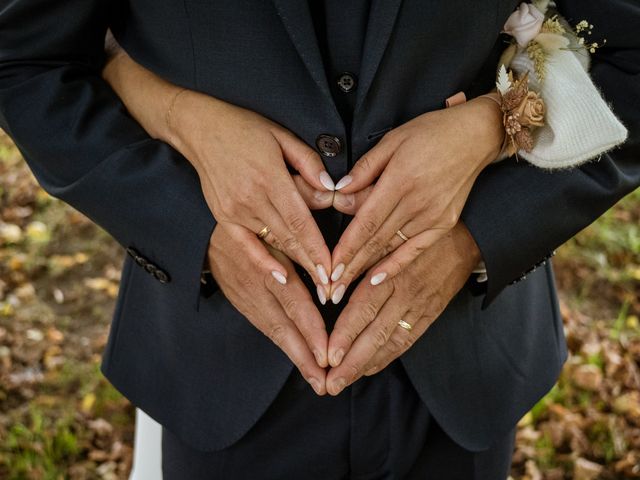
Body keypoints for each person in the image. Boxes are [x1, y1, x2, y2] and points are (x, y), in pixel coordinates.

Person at [0, 0, 638, 478]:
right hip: (219, 365)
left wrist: (480, 221)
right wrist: (195, 230)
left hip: (460, 364)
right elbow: (30, 60)